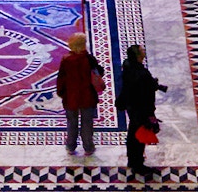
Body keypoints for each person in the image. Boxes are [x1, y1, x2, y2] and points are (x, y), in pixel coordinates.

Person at [115, 44, 166, 177]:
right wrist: (150, 113)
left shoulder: (127, 65)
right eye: (142, 50)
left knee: (133, 133)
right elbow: (145, 94)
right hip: (141, 108)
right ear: (138, 56)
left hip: (131, 106)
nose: (144, 51)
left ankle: (132, 159)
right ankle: (137, 164)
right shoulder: (141, 74)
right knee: (139, 135)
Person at [56, 32, 103, 156]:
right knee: (87, 123)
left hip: (71, 97)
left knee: (72, 122)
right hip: (87, 96)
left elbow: (61, 78)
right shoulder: (89, 59)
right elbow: (99, 73)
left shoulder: (66, 60)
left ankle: (71, 146)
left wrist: (61, 92)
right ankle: (88, 147)